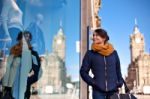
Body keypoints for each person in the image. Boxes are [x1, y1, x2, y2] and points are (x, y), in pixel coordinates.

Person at [80, 28, 124, 99]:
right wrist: (93, 82)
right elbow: (83, 72)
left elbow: (118, 70)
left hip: (113, 91)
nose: (94, 37)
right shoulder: (90, 54)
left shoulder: (114, 53)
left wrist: (120, 82)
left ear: (104, 38)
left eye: (97, 35)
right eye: (93, 35)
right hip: (98, 92)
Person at [1, 31, 41, 99]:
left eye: (28, 38)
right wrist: (5, 86)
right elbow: (7, 69)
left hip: (23, 89)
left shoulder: (33, 54)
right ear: (19, 39)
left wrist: (28, 81)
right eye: (24, 37)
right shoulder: (13, 52)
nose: (26, 40)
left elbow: (36, 72)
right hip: (10, 88)